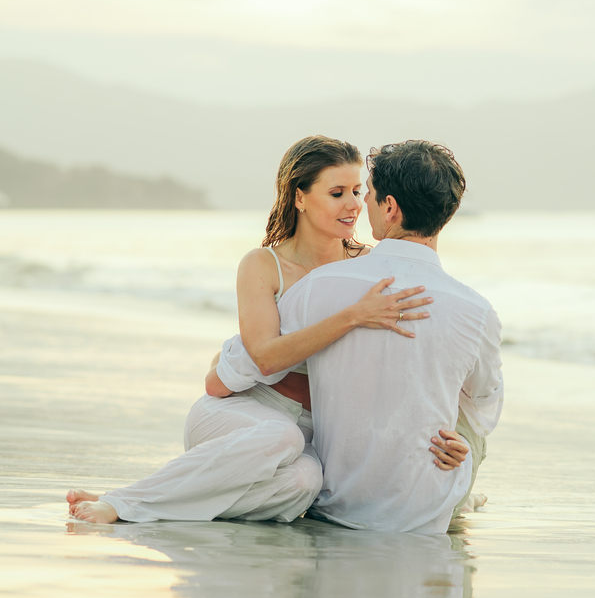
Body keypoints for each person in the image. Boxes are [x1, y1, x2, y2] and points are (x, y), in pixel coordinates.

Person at [66, 135, 470, 524]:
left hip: (311, 431)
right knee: (281, 436)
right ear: (299, 197)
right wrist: (352, 316)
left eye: (357, 191)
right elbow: (265, 357)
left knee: (305, 483)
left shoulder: (368, 265)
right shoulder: (263, 265)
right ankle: (124, 502)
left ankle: (168, 499)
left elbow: (413, 353)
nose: (353, 205)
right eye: (336, 193)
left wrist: (451, 439)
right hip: (241, 415)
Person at [227, 139, 503, 531]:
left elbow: (251, 362)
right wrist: (459, 439)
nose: (359, 204)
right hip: (422, 517)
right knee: (468, 417)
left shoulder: (318, 285)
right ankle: (459, 489)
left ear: (389, 208)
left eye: (365, 192)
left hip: (334, 503)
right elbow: (485, 405)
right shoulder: (477, 310)